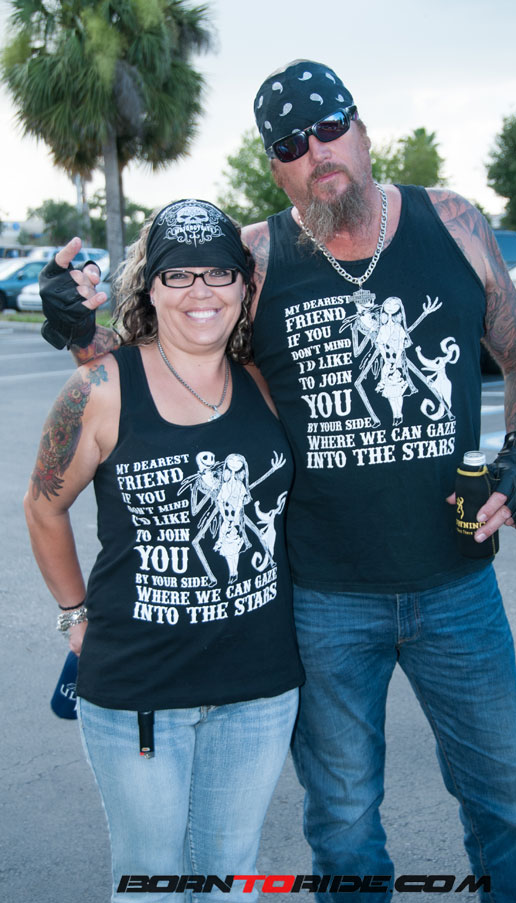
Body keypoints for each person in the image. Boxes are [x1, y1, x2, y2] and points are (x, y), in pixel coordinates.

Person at [38, 61, 516, 903]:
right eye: (290, 144)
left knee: (509, 806)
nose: (316, 151)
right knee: (344, 823)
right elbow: (169, 364)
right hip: (323, 601)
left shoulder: (453, 221)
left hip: (459, 584)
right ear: (275, 166)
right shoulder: (255, 260)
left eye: (328, 128)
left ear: (361, 129)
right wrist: (78, 327)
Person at [25, 199, 304, 903]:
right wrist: (73, 615)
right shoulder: (101, 387)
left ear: (244, 285)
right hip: (138, 689)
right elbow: (43, 505)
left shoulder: (265, 382)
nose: (200, 291)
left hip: (259, 686)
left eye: (218, 273)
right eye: (178, 275)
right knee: (150, 879)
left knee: (231, 876)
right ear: (149, 288)